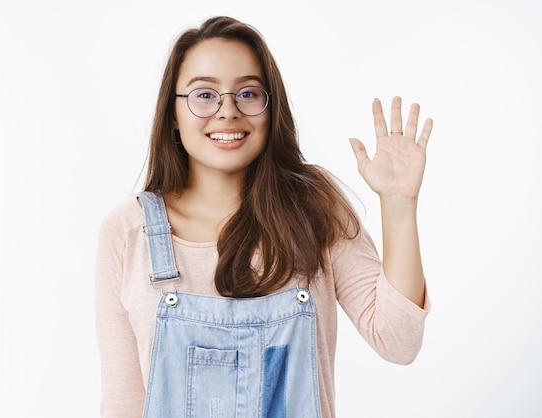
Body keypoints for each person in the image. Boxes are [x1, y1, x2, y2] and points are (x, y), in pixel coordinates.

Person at [95, 15, 433, 418]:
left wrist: (398, 204)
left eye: (248, 93)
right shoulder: (126, 231)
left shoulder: (313, 209)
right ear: (173, 114)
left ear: (271, 109)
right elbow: (124, 404)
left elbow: (398, 340)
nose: (228, 111)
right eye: (204, 95)